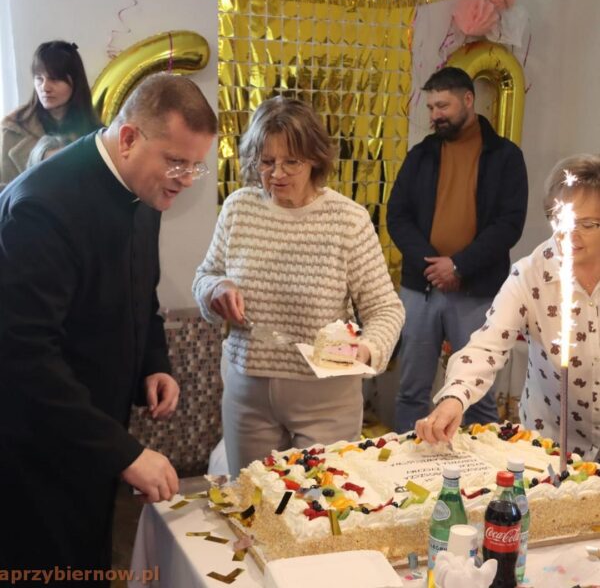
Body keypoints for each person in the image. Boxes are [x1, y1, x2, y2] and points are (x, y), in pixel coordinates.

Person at [0, 73, 217, 585]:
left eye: (196, 166)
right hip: (38, 449)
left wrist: (153, 363)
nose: (186, 179)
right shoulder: (43, 207)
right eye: (176, 161)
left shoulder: (144, 190)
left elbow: (140, 296)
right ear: (129, 139)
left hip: (95, 436)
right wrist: (124, 452)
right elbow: (23, 356)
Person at [193, 96, 404, 477]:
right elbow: (205, 275)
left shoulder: (347, 221)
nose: (277, 174)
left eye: (291, 162)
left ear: (315, 160)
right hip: (248, 395)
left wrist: (367, 349)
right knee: (253, 499)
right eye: (266, 161)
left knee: (320, 501)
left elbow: (385, 309)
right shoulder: (239, 209)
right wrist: (215, 289)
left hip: (327, 399)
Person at [416, 154, 600, 461]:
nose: (569, 233)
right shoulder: (530, 275)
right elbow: (487, 345)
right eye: (560, 219)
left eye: (587, 224)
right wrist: (454, 398)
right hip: (551, 446)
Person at [387, 66, 528, 433]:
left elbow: (509, 224)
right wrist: (433, 266)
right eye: (431, 107)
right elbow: (397, 216)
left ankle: (481, 465)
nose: (435, 115)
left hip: (477, 291)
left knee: (477, 394)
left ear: (468, 100)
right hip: (422, 288)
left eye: (443, 106)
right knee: (411, 391)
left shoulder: (505, 156)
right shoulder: (421, 155)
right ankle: (404, 462)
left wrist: (459, 265)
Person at [0, 40, 100, 190]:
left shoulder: (96, 133)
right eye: (39, 78)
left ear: (75, 82)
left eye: (54, 79)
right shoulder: (12, 128)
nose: (45, 87)